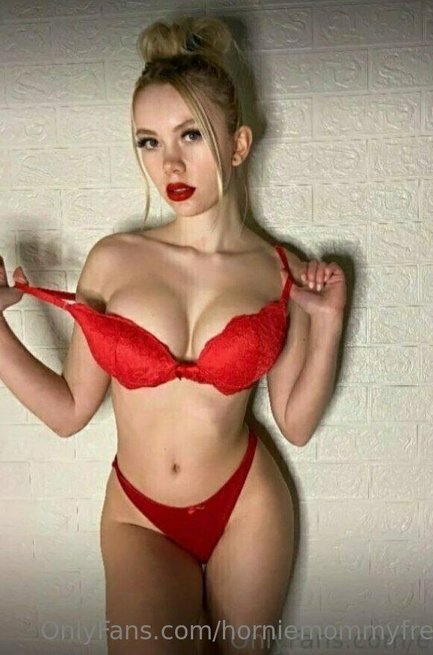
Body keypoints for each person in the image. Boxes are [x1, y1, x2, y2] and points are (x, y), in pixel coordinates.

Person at [0, 15, 346, 655]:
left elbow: (295, 424)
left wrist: (326, 323)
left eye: (191, 134)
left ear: (238, 145)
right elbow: (69, 410)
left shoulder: (277, 270)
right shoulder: (114, 260)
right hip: (140, 517)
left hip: (247, 506)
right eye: (149, 141)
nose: (170, 163)